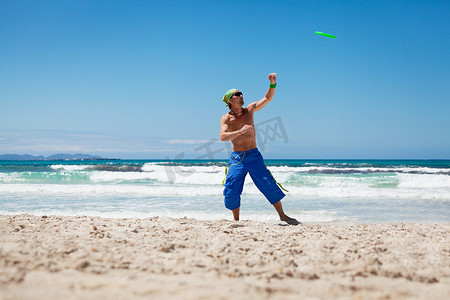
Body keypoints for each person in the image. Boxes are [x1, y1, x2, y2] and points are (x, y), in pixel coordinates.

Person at [219, 73, 299, 225]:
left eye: (241, 93)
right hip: (237, 158)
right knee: (231, 188)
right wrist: (240, 131)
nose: (241, 95)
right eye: (237, 94)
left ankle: (282, 215)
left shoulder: (249, 110)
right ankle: (236, 220)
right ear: (230, 100)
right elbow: (223, 136)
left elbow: (267, 98)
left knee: (267, 184)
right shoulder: (226, 118)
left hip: (253, 156)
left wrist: (272, 84)